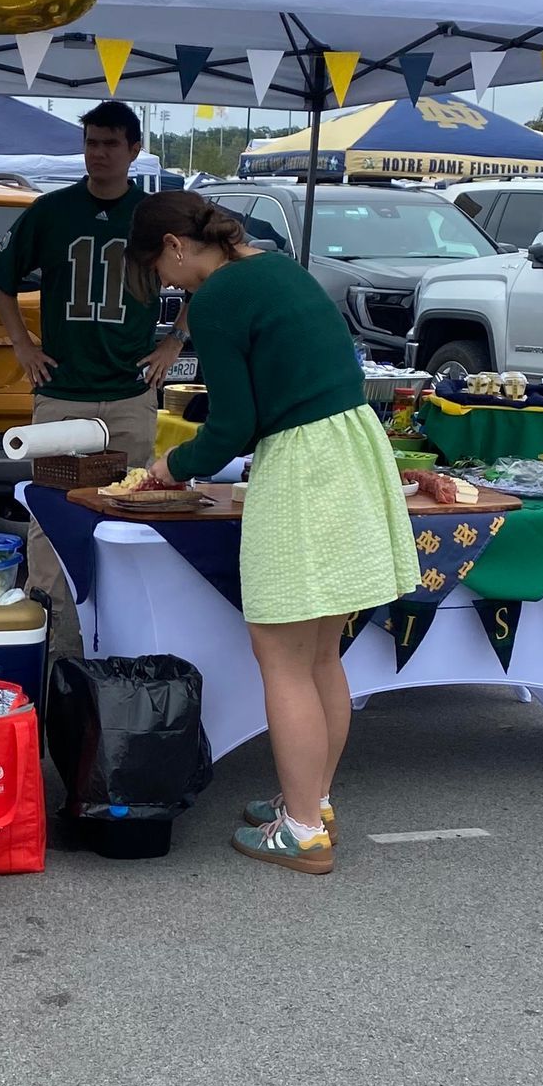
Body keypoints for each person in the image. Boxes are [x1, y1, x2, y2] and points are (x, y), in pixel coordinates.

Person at [125, 191, 420, 877]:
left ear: (174, 244)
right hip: (352, 449)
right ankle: (311, 801)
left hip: (305, 467)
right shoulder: (279, 267)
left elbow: (234, 426)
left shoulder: (220, 297)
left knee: (281, 654)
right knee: (321, 652)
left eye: (158, 271)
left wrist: (173, 466)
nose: (167, 287)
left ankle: (302, 832)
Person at [0, 102, 187, 603]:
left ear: (135, 149)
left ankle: (121, 609)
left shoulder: (153, 215)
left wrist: (173, 339)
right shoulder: (52, 210)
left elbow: (209, 275)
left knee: (130, 506)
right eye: (92, 142)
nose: (99, 153)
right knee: (50, 507)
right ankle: (42, 613)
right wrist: (22, 344)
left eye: (111, 144)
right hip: (63, 388)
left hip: (128, 388)